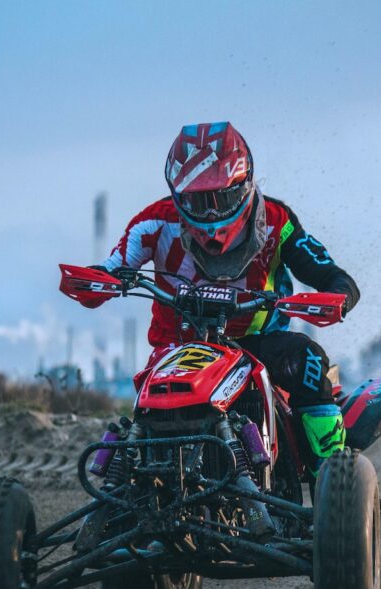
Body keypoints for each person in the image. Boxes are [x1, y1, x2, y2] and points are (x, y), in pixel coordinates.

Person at [95, 122, 360, 473]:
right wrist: (94, 283)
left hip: (258, 345)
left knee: (308, 359)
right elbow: (110, 270)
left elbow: (330, 275)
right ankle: (125, 484)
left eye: (221, 198)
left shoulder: (278, 222)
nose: (210, 214)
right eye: (196, 201)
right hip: (177, 349)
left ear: (245, 185)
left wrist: (337, 296)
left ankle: (332, 474)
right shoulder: (153, 224)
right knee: (141, 414)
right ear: (178, 196)